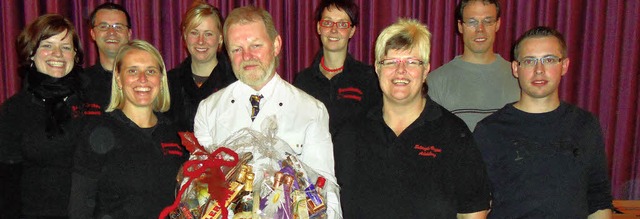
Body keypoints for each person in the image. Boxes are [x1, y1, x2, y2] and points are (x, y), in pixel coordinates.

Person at [334, 18, 491, 218]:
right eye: (390, 62)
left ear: (425, 70)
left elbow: (473, 212)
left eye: (411, 62)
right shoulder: (350, 134)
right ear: (377, 68)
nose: (401, 71)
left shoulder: (454, 134)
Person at [193, 6, 341, 218]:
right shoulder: (209, 109)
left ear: (276, 44)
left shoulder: (311, 110)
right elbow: (197, 187)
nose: (247, 56)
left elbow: (326, 188)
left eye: (256, 45)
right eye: (237, 49)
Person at [473, 26, 613, 218]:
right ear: (515, 68)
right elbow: (474, 204)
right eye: (529, 61)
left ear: (564, 65)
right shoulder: (489, 131)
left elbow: (598, 200)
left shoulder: (585, 126)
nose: (539, 70)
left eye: (549, 60)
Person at [69, 40, 188, 218]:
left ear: (161, 79)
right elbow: (79, 208)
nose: (143, 79)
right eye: (132, 71)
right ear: (118, 78)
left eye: (151, 71)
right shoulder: (98, 132)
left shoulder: (174, 134)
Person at [0, 14, 87, 218]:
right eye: (47, 45)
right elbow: (6, 189)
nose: (57, 54)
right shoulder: (13, 111)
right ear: (31, 52)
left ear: (75, 55)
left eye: (65, 47)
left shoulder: (92, 102)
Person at [427, 0, 519, 131]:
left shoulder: (519, 77)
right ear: (460, 26)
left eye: (488, 21)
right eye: (472, 22)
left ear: (498, 24)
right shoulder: (436, 81)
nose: (480, 29)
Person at [294, 0, 380, 136]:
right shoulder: (303, 81)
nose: (334, 30)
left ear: (352, 31)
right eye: (327, 23)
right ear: (318, 27)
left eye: (342, 24)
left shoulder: (369, 78)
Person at [166, 1, 236, 131]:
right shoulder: (169, 82)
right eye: (194, 33)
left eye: (208, 34)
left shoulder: (236, 81)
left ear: (220, 38)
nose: (201, 41)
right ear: (185, 35)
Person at [82, 2, 132, 112]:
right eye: (103, 26)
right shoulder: (79, 83)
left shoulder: (144, 81)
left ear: (129, 34)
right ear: (93, 33)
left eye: (118, 27)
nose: (111, 32)